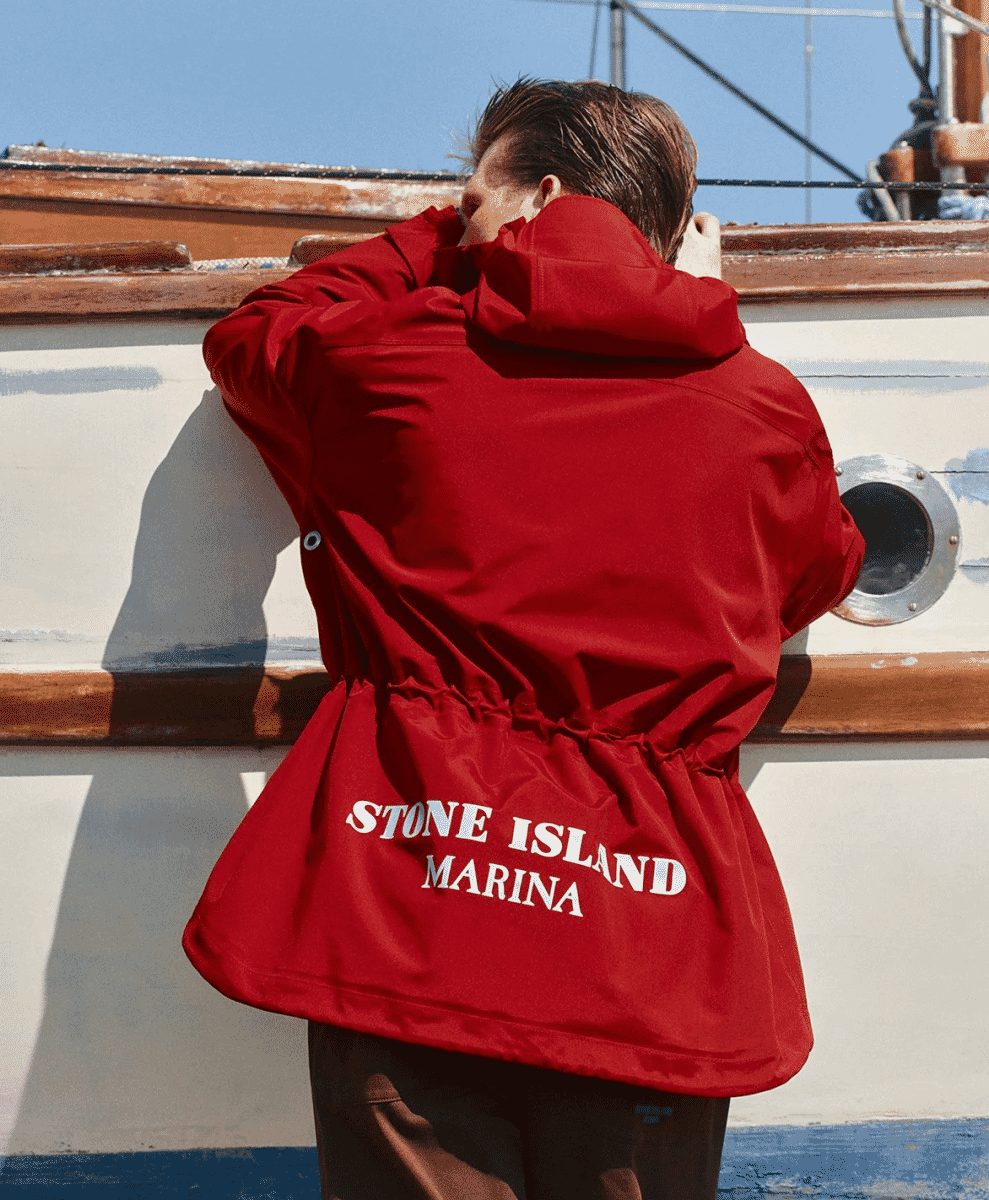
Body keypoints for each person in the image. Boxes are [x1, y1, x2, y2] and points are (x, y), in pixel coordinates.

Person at [184, 78, 864, 1200]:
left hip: (413, 887)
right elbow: (822, 569)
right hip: (648, 936)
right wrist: (666, 294)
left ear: (538, 194)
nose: (457, 223)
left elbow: (252, 335)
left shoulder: (387, 354)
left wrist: (435, 244)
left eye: (469, 200)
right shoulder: (762, 406)